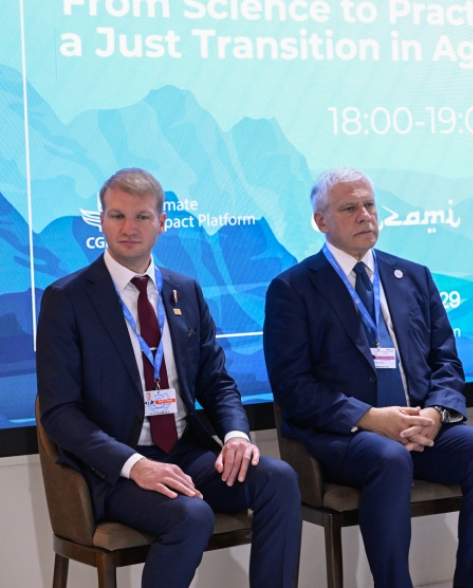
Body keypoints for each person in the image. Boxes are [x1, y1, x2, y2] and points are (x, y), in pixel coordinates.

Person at [37, 168, 301, 588]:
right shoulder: (66, 299)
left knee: (278, 479)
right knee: (190, 515)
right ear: (101, 221)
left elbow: (217, 382)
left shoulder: (186, 291)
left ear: (161, 223)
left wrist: (236, 436)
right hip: (117, 469)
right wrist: (135, 465)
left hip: (185, 453)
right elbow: (59, 413)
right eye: (117, 216)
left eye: (141, 216)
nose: (129, 228)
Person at [264, 167, 473, 588]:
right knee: (389, 457)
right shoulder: (294, 288)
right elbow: (293, 387)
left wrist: (435, 414)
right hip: (346, 434)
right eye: (349, 208)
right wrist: (370, 419)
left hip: (419, 424)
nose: (365, 215)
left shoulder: (413, 275)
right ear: (321, 221)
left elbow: (446, 361)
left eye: (369, 205)